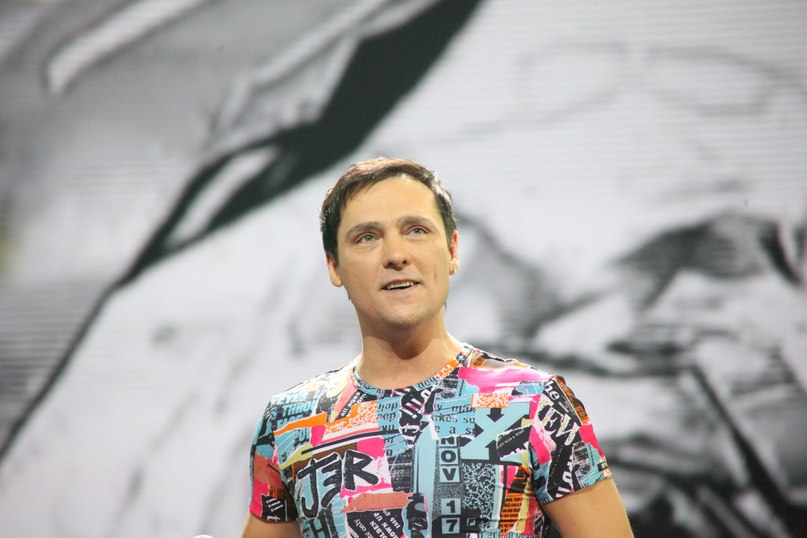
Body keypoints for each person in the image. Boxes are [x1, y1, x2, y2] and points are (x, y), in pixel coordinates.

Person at [241, 157, 633, 538]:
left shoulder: (534, 403)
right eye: (367, 237)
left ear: (452, 250)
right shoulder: (290, 422)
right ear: (333, 266)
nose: (396, 255)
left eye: (416, 230)